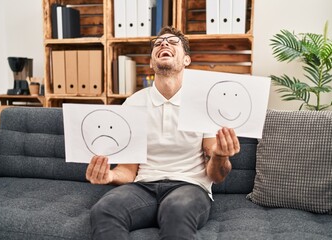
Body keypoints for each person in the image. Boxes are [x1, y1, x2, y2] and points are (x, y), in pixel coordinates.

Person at [86, 26, 240, 240]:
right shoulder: (133, 103)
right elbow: (128, 171)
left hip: (190, 187)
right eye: (158, 43)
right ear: (151, 62)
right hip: (143, 188)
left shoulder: (204, 103)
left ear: (186, 59)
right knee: (104, 210)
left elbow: (216, 175)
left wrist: (221, 155)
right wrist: (109, 175)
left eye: (172, 42)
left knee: (176, 210)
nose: (164, 44)